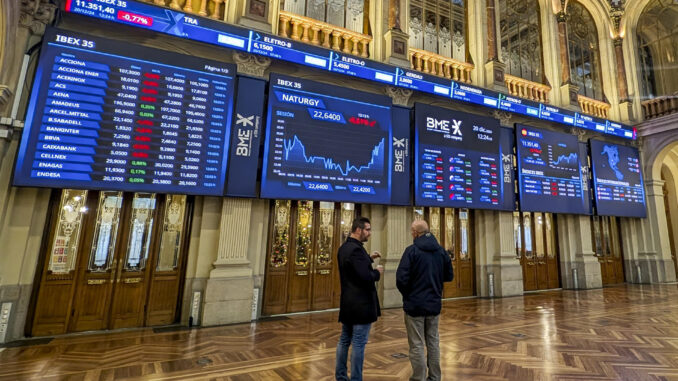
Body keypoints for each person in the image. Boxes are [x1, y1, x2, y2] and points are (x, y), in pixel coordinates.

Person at [396, 220, 454, 381]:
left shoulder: (411, 251)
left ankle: (418, 378)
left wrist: (408, 295)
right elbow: (449, 276)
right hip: (434, 304)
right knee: (433, 342)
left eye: (411, 232)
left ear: (415, 232)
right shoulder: (441, 251)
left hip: (415, 305)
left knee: (416, 344)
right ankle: (435, 377)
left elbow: (401, 278)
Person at [335, 216, 383, 381]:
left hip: (348, 303)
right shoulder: (356, 250)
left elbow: (353, 267)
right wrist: (378, 272)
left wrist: (369, 259)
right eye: (367, 230)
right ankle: (356, 378)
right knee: (358, 343)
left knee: (344, 340)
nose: (369, 233)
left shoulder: (345, 248)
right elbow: (365, 276)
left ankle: (341, 376)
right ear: (358, 230)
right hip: (361, 305)